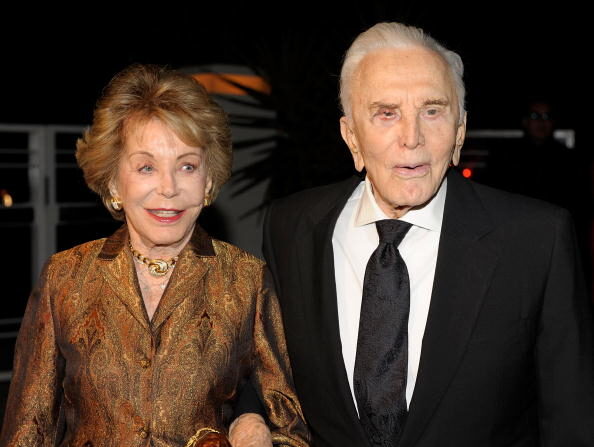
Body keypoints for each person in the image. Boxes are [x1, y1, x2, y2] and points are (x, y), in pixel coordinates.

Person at [257, 22, 594, 446]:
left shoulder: (536, 239)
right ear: (351, 137)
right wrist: (249, 418)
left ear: (459, 131)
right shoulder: (291, 229)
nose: (412, 138)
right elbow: (262, 369)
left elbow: (572, 418)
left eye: (432, 110)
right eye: (386, 113)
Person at [0, 64, 309, 447]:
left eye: (187, 166)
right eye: (146, 167)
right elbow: (28, 428)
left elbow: (291, 429)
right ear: (114, 180)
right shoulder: (65, 277)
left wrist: (257, 434)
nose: (168, 188)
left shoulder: (246, 281)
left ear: (208, 181)